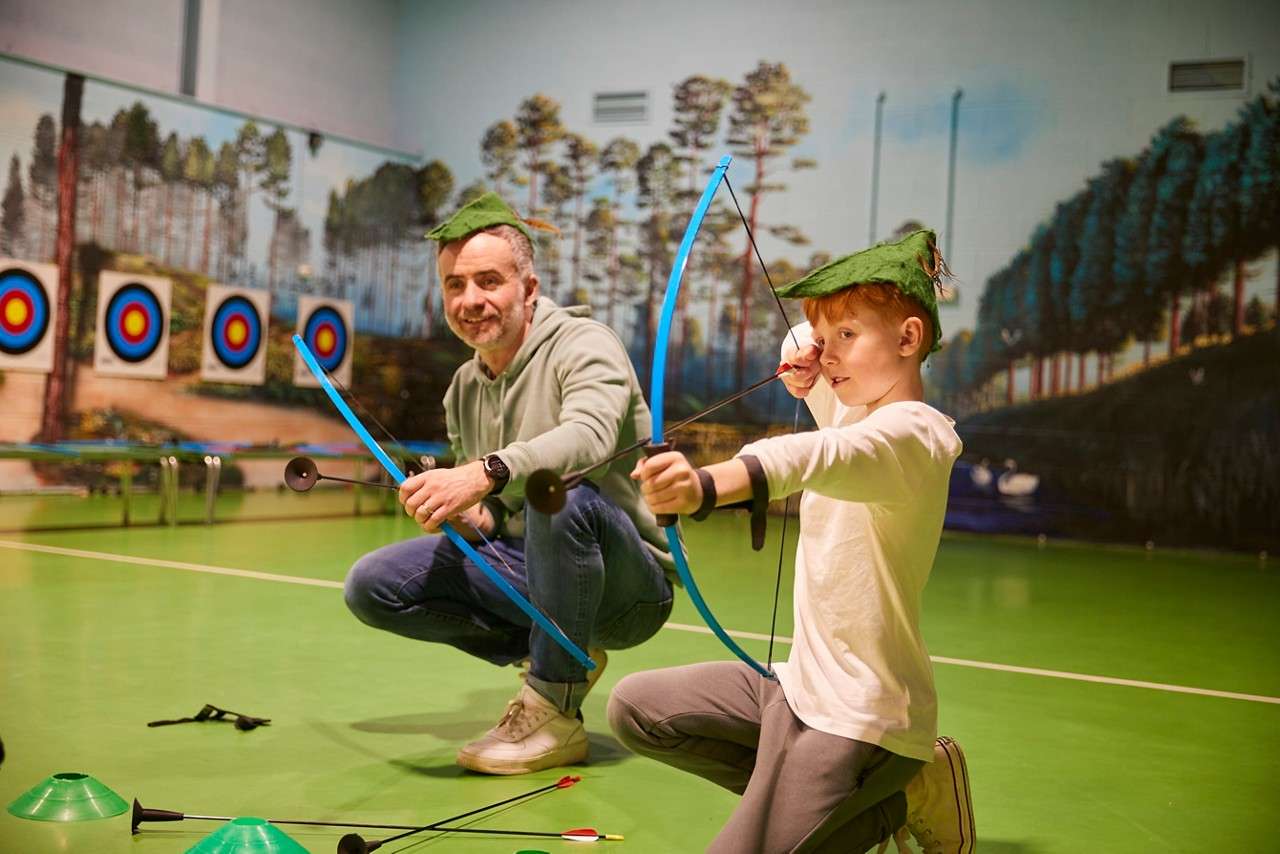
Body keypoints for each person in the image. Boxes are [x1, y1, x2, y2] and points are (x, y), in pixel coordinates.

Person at [609, 230, 975, 853]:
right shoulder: (850, 402)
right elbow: (801, 346)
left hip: (863, 720)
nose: (829, 357)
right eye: (826, 342)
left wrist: (704, 486)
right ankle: (833, 806)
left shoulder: (916, 436)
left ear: (909, 339)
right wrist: (816, 352)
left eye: (848, 338)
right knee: (634, 708)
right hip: (794, 689)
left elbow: (818, 454)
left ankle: (902, 792)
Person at [344, 192, 676, 775]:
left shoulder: (585, 344)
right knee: (372, 585)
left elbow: (590, 439)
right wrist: (474, 515)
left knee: (560, 493)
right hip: (537, 570)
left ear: (528, 288)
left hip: (629, 592)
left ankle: (554, 703)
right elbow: (502, 514)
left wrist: (484, 472)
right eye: (454, 284)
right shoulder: (463, 389)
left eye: (488, 280)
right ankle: (559, 652)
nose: (470, 300)